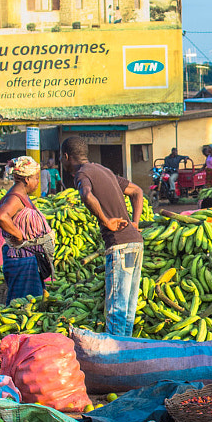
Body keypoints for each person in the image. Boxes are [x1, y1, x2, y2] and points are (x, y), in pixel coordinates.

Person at [62, 135, 145, 336]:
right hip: (135, 242)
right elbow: (137, 191)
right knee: (127, 309)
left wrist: (106, 220)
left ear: (66, 157)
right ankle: (125, 351)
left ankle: (115, 358)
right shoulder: (103, 170)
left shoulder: (82, 174)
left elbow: (86, 195)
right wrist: (135, 222)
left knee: (116, 308)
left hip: (119, 244)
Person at [0, 156, 57, 301]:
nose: (38, 182)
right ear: (27, 179)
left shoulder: (22, 196)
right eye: (36, 178)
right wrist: (18, 235)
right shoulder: (15, 198)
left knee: (31, 304)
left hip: (28, 260)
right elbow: (1, 216)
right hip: (22, 261)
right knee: (23, 306)